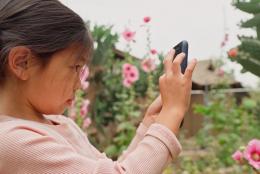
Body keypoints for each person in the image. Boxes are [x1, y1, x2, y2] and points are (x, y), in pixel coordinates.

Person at [0, 0, 197, 173]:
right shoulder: (12, 142)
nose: (79, 84)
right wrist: (171, 112)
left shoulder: (57, 123)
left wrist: (150, 125)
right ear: (22, 62)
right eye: (75, 67)